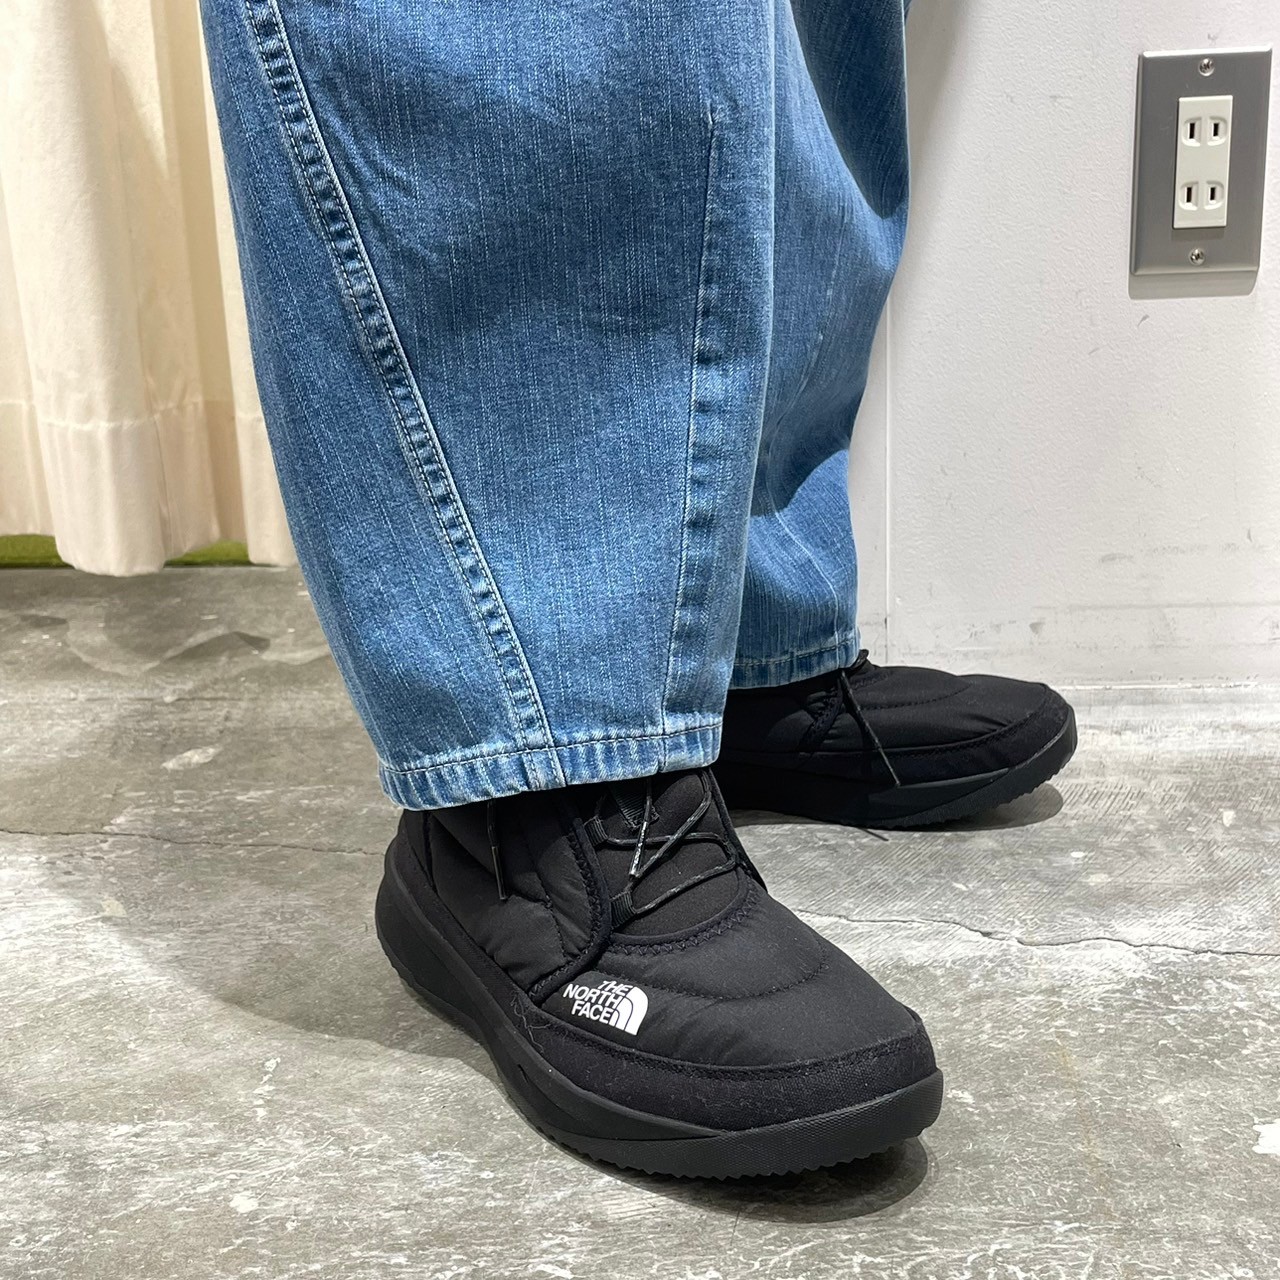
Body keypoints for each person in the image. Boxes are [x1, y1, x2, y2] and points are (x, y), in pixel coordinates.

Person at [200, 0, 1076, 1179]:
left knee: (783, 68)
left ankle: (738, 656)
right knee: (545, 42)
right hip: (520, 822)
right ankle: (528, 786)